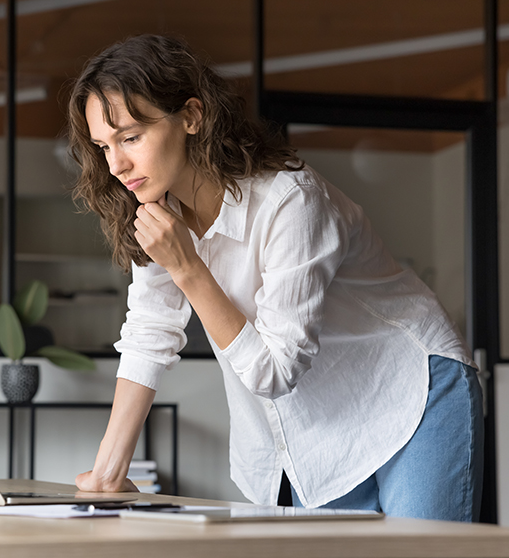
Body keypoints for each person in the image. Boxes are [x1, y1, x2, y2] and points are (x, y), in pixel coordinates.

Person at [65, 34, 484, 522]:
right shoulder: (156, 213)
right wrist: (108, 473)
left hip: (410, 393)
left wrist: (188, 268)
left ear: (192, 117)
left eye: (131, 138)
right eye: (103, 146)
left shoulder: (292, 202)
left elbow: (276, 370)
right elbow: (149, 334)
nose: (116, 165)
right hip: (318, 431)